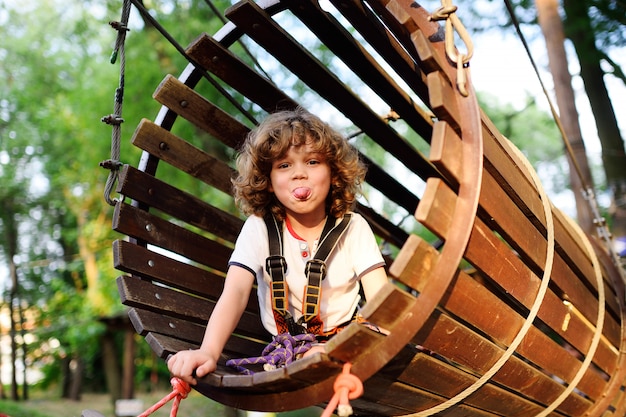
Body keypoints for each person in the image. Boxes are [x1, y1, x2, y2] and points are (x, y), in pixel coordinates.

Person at [167, 107, 388, 385]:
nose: (299, 174)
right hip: (289, 352)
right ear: (268, 181)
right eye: (284, 165)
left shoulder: (353, 228)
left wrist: (343, 349)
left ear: (333, 173)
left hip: (346, 342)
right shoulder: (260, 228)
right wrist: (209, 351)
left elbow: (382, 303)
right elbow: (235, 292)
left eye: (312, 162)